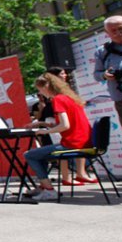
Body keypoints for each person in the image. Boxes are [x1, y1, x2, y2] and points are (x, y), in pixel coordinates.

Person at [25, 73, 93, 201]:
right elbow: (68, 123)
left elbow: (65, 126)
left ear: (46, 87)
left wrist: (45, 132)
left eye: (39, 90)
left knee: (29, 155)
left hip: (72, 143)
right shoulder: (70, 98)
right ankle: (44, 187)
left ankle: (49, 190)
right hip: (84, 141)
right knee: (41, 155)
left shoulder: (58, 99)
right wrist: (42, 124)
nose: (40, 93)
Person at [94, 15, 122, 135]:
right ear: (106, 32)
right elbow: (96, 74)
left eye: (121, 28)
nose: (118, 33)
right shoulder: (102, 51)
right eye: (113, 31)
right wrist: (105, 75)